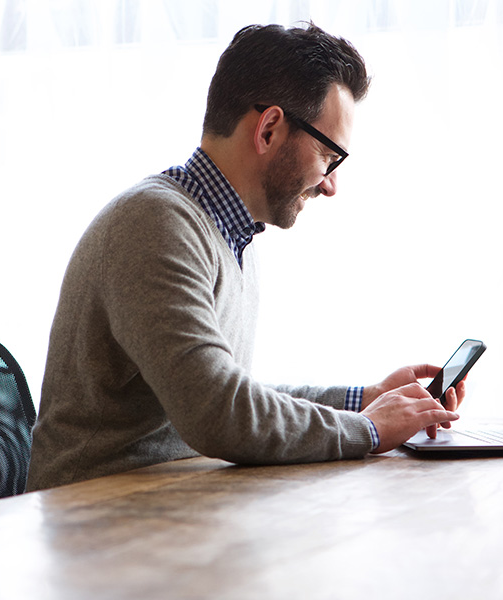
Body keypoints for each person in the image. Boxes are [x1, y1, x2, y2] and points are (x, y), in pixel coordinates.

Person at [26, 22, 463, 491]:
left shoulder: (229, 236)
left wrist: (366, 399)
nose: (331, 184)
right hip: (95, 531)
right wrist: (371, 430)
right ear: (270, 128)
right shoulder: (154, 225)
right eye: (329, 155)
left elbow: (232, 394)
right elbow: (219, 411)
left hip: (166, 509)